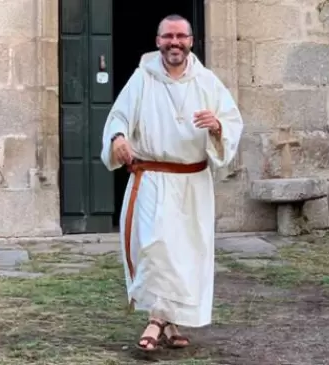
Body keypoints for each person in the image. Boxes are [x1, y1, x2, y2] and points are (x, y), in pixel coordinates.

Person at [100, 14, 244, 351]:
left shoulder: (207, 82)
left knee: (185, 255)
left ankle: (169, 320)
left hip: (192, 183)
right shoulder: (142, 79)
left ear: (191, 41)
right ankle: (156, 320)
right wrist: (119, 138)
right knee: (155, 247)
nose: (174, 43)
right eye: (168, 36)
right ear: (158, 41)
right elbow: (118, 117)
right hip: (151, 179)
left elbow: (233, 122)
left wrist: (218, 127)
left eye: (181, 36)